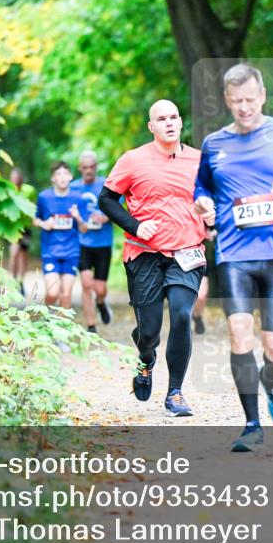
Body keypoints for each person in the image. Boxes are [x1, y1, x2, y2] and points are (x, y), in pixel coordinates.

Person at [195, 63, 273, 453]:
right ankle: (252, 424)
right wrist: (202, 201)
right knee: (238, 332)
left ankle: (272, 379)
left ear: (263, 96)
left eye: (250, 100)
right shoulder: (214, 143)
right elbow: (201, 185)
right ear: (227, 101)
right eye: (236, 102)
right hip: (234, 254)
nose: (245, 108)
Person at [98, 100, 207, 417]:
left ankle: (175, 393)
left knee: (182, 314)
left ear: (181, 122)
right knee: (149, 331)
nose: (170, 123)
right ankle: (146, 359)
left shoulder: (200, 161)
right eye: (162, 118)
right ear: (152, 127)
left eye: (174, 117)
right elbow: (106, 200)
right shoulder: (133, 160)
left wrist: (211, 217)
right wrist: (135, 225)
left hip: (186, 251)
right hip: (143, 253)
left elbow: (211, 198)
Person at [71, 150, 115, 333]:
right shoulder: (72, 188)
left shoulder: (106, 185)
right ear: (80, 168)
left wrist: (106, 217)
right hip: (82, 243)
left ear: (96, 167)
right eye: (85, 167)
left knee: (100, 288)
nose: (88, 170)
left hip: (103, 243)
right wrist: (77, 221)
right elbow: (65, 211)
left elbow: (117, 208)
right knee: (87, 284)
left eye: (91, 167)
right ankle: (91, 326)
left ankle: (102, 302)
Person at [34, 161, 87, 310]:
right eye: (58, 174)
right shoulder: (44, 197)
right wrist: (44, 224)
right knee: (52, 293)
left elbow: (84, 229)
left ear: (70, 176)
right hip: (50, 251)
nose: (62, 177)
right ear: (53, 178)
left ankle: (64, 331)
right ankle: (46, 319)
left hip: (71, 252)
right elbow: (34, 219)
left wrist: (78, 218)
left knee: (66, 295)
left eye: (65, 174)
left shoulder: (78, 198)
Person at [9, 168, 36, 297]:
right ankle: (13, 280)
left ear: (21, 179)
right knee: (14, 253)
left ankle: (21, 281)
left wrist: (33, 219)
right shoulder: (8, 190)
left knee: (23, 255)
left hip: (26, 227)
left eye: (17, 178)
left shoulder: (29, 190)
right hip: (13, 228)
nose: (15, 180)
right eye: (13, 178)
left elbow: (33, 206)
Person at [191, 228, 218, 335]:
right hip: (175, 255)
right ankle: (183, 321)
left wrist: (213, 232)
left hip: (200, 256)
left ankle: (196, 316)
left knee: (201, 296)